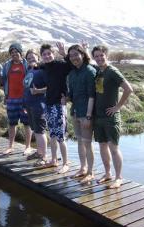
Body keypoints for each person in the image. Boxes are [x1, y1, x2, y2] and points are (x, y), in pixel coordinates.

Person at [91, 45, 133, 188]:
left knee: (113, 147)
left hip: (110, 117)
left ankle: (119, 177)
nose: (99, 58)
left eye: (101, 55)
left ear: (106, 55)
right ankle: (108, 173)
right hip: (98, 116)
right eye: (96, 56)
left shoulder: (112, 71)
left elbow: (128, 89)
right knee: (102, 146)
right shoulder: (98, 71)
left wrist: (117, 107)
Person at [36, 43, 72, 173]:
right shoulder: (44, 67)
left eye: (49, 53)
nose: (47, 56)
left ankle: (66, 162)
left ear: (53, 54)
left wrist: (64, 53)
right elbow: (36, 66)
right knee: (52, 135)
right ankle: (54, 160)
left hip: (59, 104)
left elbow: (71, 65)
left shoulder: (60, 65)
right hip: (49, 104)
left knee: (61, 136)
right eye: (44, 54)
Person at [67, 44, 96, 182]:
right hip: (75, 112)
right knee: (79, 141)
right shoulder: (72, 74)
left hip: (86, 113)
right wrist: (65, 98)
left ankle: (90, 172)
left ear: (83, 55)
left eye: (76, 55)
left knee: (87, 143)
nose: (74, 58)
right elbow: (71, 95)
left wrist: (89, 116)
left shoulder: (90, 71)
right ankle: (83, 168)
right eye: (71, 56)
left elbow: (92, 95)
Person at [1, 43, 32, 155]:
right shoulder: (7, 65)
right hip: (11, 99)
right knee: (12, 124)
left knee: (27, 123)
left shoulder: (27, 64)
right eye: (12, 53)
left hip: (24, 99)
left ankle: (28, 146)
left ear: (20, 53)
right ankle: (10, 146)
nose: (14, 54)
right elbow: (3, 78)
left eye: (16, 52)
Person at [23, 49, 48, 166]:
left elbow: (51, 86)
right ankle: (39, 152)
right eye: (28, 58)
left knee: (40, 131)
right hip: (30, 105)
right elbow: (27, 88)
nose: (31, 60)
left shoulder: (43, 69)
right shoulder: (29, 70)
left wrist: (38, 91)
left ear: (38, 57)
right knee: (36, 130)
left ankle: (44, 157)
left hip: (39, 105)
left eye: (33, 57)